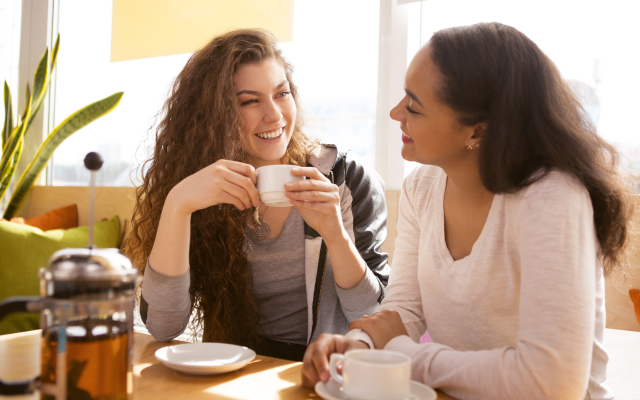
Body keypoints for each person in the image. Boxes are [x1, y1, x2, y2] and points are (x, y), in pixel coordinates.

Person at [302, 22, 633, 400]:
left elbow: (552, 383)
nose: (396, 113)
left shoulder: (553, 198)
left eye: (413, 105)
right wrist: (359, 345)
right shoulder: (422, 187)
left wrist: (406, 357)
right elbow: (406, 309)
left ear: (477, 132)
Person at [124, 29, 389, 362]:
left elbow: (374, 319)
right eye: (250, 101)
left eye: (282, 93)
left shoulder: (344, 179)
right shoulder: (201, 190)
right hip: (230, 370)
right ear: (213, 114)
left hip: (319, 373)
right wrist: (177, 205)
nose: (274, 115)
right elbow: (163, 326)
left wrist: (335, 238)